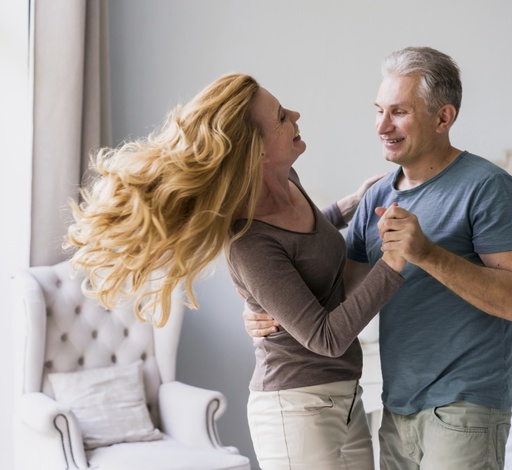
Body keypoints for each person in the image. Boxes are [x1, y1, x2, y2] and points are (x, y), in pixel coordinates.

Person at [64, 72, 408, 470]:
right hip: (297, 411)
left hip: (344, 397)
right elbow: (325, 338)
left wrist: (356, 201)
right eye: (281, 117)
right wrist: (394, 261)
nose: (295, 114)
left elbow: (310, 241)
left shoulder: (289, 182)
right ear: (257, 152)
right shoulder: (248, 242)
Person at [244, 47, 512, 470]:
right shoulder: (377, 199)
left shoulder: (488, 187)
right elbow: (339, 298)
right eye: (379, 110)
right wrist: (263, 303)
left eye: (399, 112)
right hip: (395, 409)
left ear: (443, 118)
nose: (382, 126)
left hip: (466, 408)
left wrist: (427, 254)